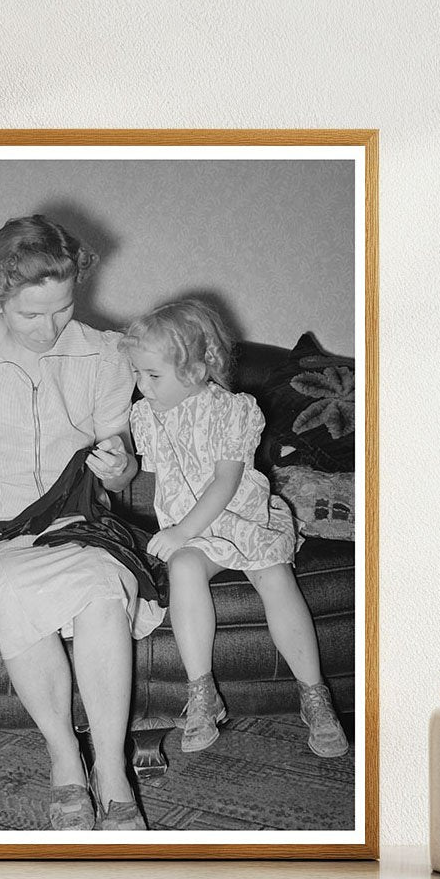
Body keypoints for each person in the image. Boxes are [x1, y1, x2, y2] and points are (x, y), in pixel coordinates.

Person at [0, 214, 164, 831]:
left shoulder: (103, 354)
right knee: (17, 585)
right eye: (31, 315)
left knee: (103, 590)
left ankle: (111, 769)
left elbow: (119, 476)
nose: (50, 329)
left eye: (62, 310)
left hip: (74, 525)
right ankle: (65, 759)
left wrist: (120, 464)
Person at [121, 298, 349, 758]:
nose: (142, 386)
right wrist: (117, 463)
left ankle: (313, 694)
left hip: (240, 518)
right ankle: (202, 692)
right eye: (137, 374)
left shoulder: (234, 410)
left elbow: (226, 481)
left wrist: (182, 530)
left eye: (153, 375)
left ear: (199, 368)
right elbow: (154, 475)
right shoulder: (145, 416)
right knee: (184, 568)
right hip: (193, 532)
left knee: (275, 575)